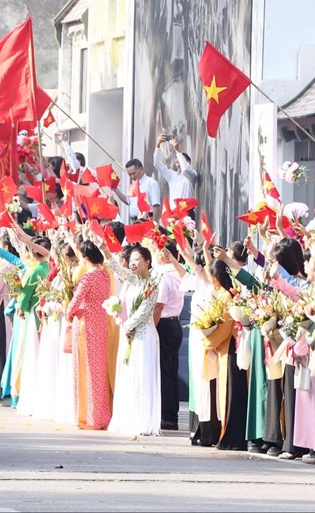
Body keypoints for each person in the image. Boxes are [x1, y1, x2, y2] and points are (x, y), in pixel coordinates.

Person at [104, 244, 162, 436]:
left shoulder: (152, 284)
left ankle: (143, 420)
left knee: (142, 375)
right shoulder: (133, 280)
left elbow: (145, 312)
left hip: (144, 335)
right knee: (129, 375)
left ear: (147, 262)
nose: (133, 263)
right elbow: (117, 268)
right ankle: (129, 417)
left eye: (138, 259)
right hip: (129, 334)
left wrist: (128, 326)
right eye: (132, 260)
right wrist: (104, 249)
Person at [66, 240, 113, 430]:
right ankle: (101, 416)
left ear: (86, 258)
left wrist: (68, 312)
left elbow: (74, 303)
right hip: (102, 323)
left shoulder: (87, 278)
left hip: (86, 325)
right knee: (99, 371)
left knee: (85, 370)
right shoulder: (105, 275)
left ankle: (87, 417)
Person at [154, 241, 186, 430]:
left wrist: (152, 325)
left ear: (165, 254)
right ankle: (171, 414)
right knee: (171, 372)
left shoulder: (165, 276)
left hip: (164, 324)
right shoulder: (178, 274)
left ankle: (167, 416)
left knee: (164, 373)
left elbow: (159, 305)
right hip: (174, 323)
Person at [153, 134, 197, 202]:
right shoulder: (171, 175)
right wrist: (157, 145)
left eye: (180, 158)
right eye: (176, 158)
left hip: (186, 211)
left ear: (189, 162)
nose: (177, 159)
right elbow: (157, 164)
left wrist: (177, 150)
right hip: (174, 212)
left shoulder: (192, 175)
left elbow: (185, 169)